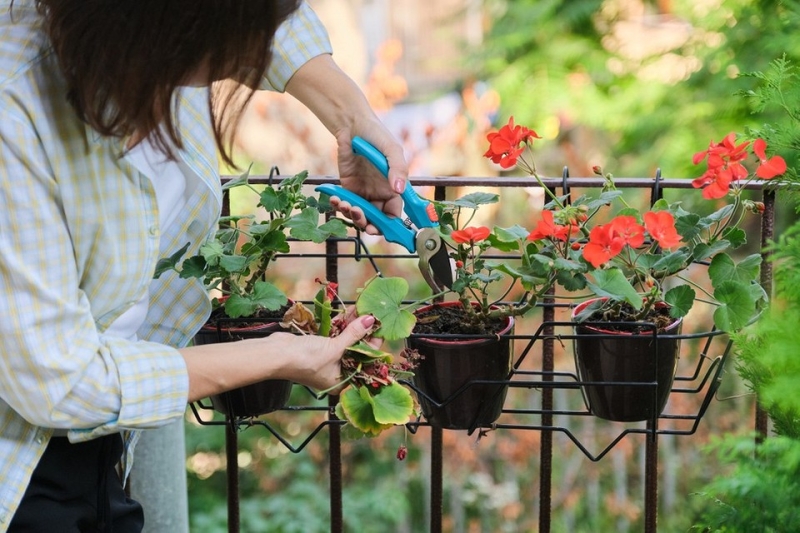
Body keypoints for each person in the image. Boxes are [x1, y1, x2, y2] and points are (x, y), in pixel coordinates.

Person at [0, 1, 408, 531]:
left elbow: (272, 25)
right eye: (236, 40)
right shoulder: (15, 110)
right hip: (19, 476)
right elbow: (59, 381)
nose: (249, 59)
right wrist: (277, 354)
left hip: (103, 453)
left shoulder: (157, 51)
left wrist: (353, 117)